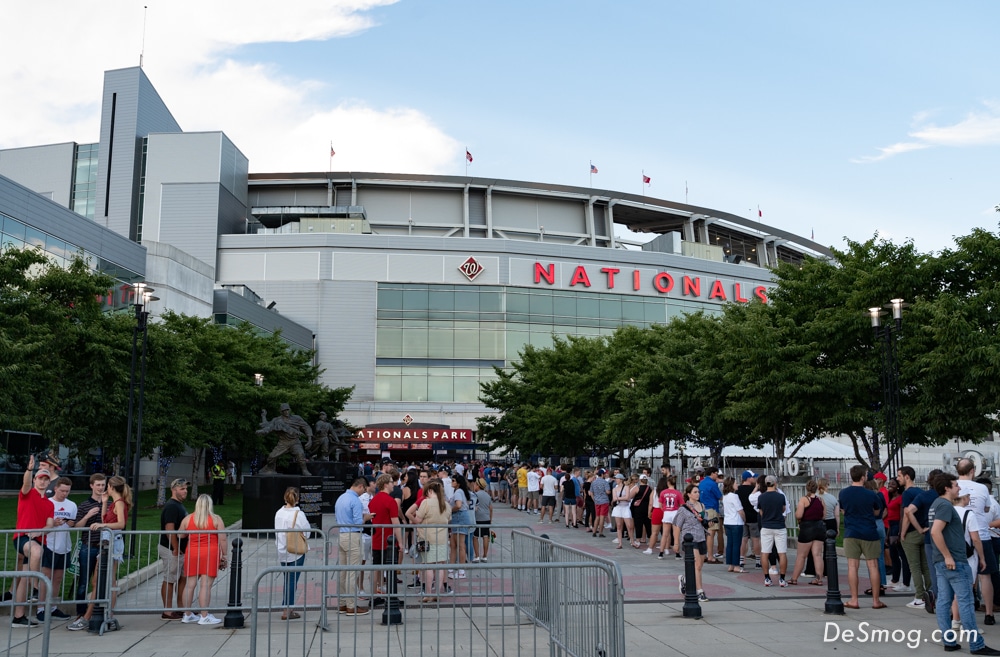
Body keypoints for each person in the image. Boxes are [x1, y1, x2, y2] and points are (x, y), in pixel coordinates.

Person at [929, 473, 1000, 655]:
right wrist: (948, 556)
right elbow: (936, 532)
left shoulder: (936, 504)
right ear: (947, 488)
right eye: (955, 485)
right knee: (966, 602)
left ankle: (949, 641)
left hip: (941, 562)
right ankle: (976, 645)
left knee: (944, 602)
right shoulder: (945, 505)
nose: (959, 488)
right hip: (954, 562)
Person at [69, 475, 131, 631]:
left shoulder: (119, 503)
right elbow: (106, 518)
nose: (104, 488)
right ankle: (105, 615)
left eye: (106, 486)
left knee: (102, 581)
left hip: (112, 543)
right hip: (107, 542)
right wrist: (104, 503)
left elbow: (121, 524)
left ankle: (88, 617)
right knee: (101, 581)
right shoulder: (113, 503)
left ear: (111, 487)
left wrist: (102, 525)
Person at [12, 456, 54, 628]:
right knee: (37, 552)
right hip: (23, 538)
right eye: (40, 478)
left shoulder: (49, 504)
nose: (43, 481)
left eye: (46, 479)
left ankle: (18, 617)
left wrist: (40, 531)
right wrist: (29, 470)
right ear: (36, 479)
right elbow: (26, 484)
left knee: (23, 578)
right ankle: (35, 586)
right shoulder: (27, 494)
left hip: (38, 538)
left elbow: (50, 525)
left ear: (49, 482)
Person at [956, 457, 997, 625]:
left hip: (960, 537)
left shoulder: (953, 486)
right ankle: (989, 614)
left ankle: (957, 616)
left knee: (960, 578)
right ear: (973, 471)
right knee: (985, 576)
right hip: (981, 534)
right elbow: (987, 508)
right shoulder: (981, 488)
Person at [839, 464, 885, 610]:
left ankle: (854, 599)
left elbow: (843, 510)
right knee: (873, 566)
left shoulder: (843, 493)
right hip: (869, 532)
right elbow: (877, 512)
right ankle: (876, 600)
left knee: (852, 566)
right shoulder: (871, 494)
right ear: (863, 477)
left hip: (851, 532)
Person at [179, 494, 225, 625]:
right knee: (206, 585)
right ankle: (204, 616)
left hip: (192, 552)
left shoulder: (188, 519)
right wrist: (225, 555)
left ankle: (187, 614)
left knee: (189, 584)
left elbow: (180, 534)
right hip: (210, 552)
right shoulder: (216, 519)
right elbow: (222, 538)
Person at [901, 467, 940, 611]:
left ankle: (920, 596)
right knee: (927, 567)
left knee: (915, 566)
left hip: (920, 532)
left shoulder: (919, 495)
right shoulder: (936, 495)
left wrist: (904, 532)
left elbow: (907, 513)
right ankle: (931, 593)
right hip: (932, 532)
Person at [38, 476, 76, 622]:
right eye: (62, 491)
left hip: (64, 545)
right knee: (46, 577)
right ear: (55, 489)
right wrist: (52, 523)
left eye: (67, 491)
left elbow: (73, 524)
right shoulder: (48, 503)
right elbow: (40, 523)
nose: (64, 494)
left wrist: (72, 523)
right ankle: (41, 608)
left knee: (58, 578)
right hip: (49, 544)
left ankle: (53, 606)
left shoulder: (72, 505)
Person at [69, 473, 105, 627]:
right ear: (91, 486)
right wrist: (88, 515)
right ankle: (80, 612)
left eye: (103, 485)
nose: (101, 487)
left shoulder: (108, 504)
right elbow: (77, 526)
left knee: (100, 581)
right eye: (98, 485)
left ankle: (98, 610)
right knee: (83, 581)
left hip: (103, 547)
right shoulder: (84, 505)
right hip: (88, 546)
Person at [335, 478, 371, 616]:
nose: (363, 493)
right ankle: (351, 605)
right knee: (352, 572)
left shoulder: (341, 498)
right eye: (364, 490)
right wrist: (366, 518)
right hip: (353, 536)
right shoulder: (355, 500)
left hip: (342, 534)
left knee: (343, 572)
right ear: (360, 486)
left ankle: (343, 603)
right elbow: (358, 522)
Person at [275, 487, 312, 620]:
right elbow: (307, 532)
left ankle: (287, 607)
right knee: (292, 581)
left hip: (282, 549)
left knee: (288, 579)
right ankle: (287, 609)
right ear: (297, 499)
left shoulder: (279, 513)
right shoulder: (299, 514)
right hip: (295, 550)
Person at [415, 480, 451, 602]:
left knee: (429, 566)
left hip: (427, 539)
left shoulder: (426, 503)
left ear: (430, 491)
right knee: (440, 566)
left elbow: (418, 519)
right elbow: (449, 519)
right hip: (442, 538)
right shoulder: (446, 504)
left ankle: (428, 593)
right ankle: (438, 592)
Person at [369, 474, 403, 604]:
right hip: (388, 541)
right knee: (391, 570)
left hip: (376, 538)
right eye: (391, 482)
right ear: (385, 485)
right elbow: (396, 523)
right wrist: (401, 542)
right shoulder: (390, 501)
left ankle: (374, 597)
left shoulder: (373, 500)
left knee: (376, 569)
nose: (393, 484)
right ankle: (392, 597)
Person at [158, 478, 189, 621]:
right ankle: (168, 611)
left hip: (181, 549)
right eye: (182, 489)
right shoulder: (171, 506)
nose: (185, 491)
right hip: (171, 549)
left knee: (182, 578)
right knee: (170, 579)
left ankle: (181, 608)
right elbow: (169, 528)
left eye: (186, 489)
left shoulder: (179, 506)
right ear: (174, 489)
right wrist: (175, 548)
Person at [257, 402, 313, 476]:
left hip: (295, 442)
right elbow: (267, 426)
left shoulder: (297, 418)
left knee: (300, 454)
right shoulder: (277, 420)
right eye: (284, 410)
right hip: (283, 443)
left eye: (287, 410)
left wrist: (309, 439)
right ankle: (270, 469)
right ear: (281, 411)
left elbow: (306, 427)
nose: (286, 412)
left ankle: (305, 470)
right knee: (271, 457)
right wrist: (264, 416)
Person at [675, 484, 709, 602]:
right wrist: (676, 543)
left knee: (699, 565)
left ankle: (685, 579)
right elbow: (677, 526)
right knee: (697, 565)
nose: (697, 494)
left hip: (701, 537)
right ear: (689, 494)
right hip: (689, 539)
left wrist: (708, 522)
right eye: (695, 492)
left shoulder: (702, 506)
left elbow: (704, 522)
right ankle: (699, 591)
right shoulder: (683, 509)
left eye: (698, 492)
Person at [789, 479, 825, 585]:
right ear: (817, 488)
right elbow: (824, 515)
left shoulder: (804, 500)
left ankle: (794, 578)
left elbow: (799, 515)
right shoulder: (820, 500)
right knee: (817, 555)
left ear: (807, 488)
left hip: (807, 528)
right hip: (819, 527)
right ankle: (819, 579)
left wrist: (798, 517)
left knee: (801, 555)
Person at [757, 475, 788, 587]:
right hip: (779, 526)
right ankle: (782, 579)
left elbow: (761, 512)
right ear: (775, 483)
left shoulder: (761, 497)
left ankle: (767, 578)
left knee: (765, 552)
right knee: (782, 552)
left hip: (766, 526)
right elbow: (783, 509)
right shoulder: (780, 496)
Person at [448, 474, 474, 578]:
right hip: (458, 518)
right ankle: (452, 567)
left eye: (453, 480)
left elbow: (458, 505)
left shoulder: (458, 492)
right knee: (454, 544)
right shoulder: (460, 491)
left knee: (460, 545)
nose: (452, 482)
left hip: (460, 517)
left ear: (458, 482)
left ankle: (461, 570)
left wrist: (449, 510)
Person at [738, 471, 762, 570]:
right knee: (755, 539)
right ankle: (758, 561)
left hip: (742, 518)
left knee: (743, 539)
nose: (754, 479)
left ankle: (741, 560)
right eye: (753, 477)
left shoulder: (738, 490)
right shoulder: (754, 490)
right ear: (748, 478)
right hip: (753, 517)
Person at [698, 467, 724, 562]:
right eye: (716, 473)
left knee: (705, 533)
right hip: (712, 508)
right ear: (712, 473)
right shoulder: (712, 484)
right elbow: (719, 496)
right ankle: (710, 556)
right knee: (711, 533)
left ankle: (704, 554)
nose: (717, 475)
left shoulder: (702, 483)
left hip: (703, 509)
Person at [721, 476, 746, 573]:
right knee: (737, 544)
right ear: (732, 485)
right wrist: (744, 519)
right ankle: (736, 565)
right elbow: (740, 510)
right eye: (736, 483)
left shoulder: (725, 496)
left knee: (730, 544)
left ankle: (730, 564)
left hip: (728, 521)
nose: (737, 485)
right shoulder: (734, 496)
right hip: (736, 522)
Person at [611, 474, 637, 549]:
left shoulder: (626, 487)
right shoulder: (614, 488)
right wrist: (622, 498)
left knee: (629, 526)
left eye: (617, 478)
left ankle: (632, 541)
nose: (616, 480)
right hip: (618, 508)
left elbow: (628, 498)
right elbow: (615, 498)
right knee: (619, 526)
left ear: (621, 480)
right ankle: (620, 543)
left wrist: (618, 498)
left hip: (625, 507)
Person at [471, 478, 493, 562]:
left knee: (475, 537)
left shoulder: (475, 495)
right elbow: (491, 508)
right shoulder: (488, 495)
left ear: (478, 485)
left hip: (477, 518)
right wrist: (490, 519)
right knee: (485, 537)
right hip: (486, 518)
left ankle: (477, 556)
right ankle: (485, 556)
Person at [632, 474, 653, 547]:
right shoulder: (649, 488)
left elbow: (630, 497)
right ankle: (650, 540)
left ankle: (638, 540)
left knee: (638, 524)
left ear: (640, 480)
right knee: (648, 524)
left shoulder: (637, 488)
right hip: (647, 508)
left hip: (638, 508)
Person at [590, 469, 610, 538]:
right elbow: (607, 492)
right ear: (602, 474)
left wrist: (594, 499)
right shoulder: (605, 482)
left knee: (597, 517)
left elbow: (591, 492)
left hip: (597, 501)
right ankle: (601, 532)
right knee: (602, 517)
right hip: (604, 501)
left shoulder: (593, 482)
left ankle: (594, 531)